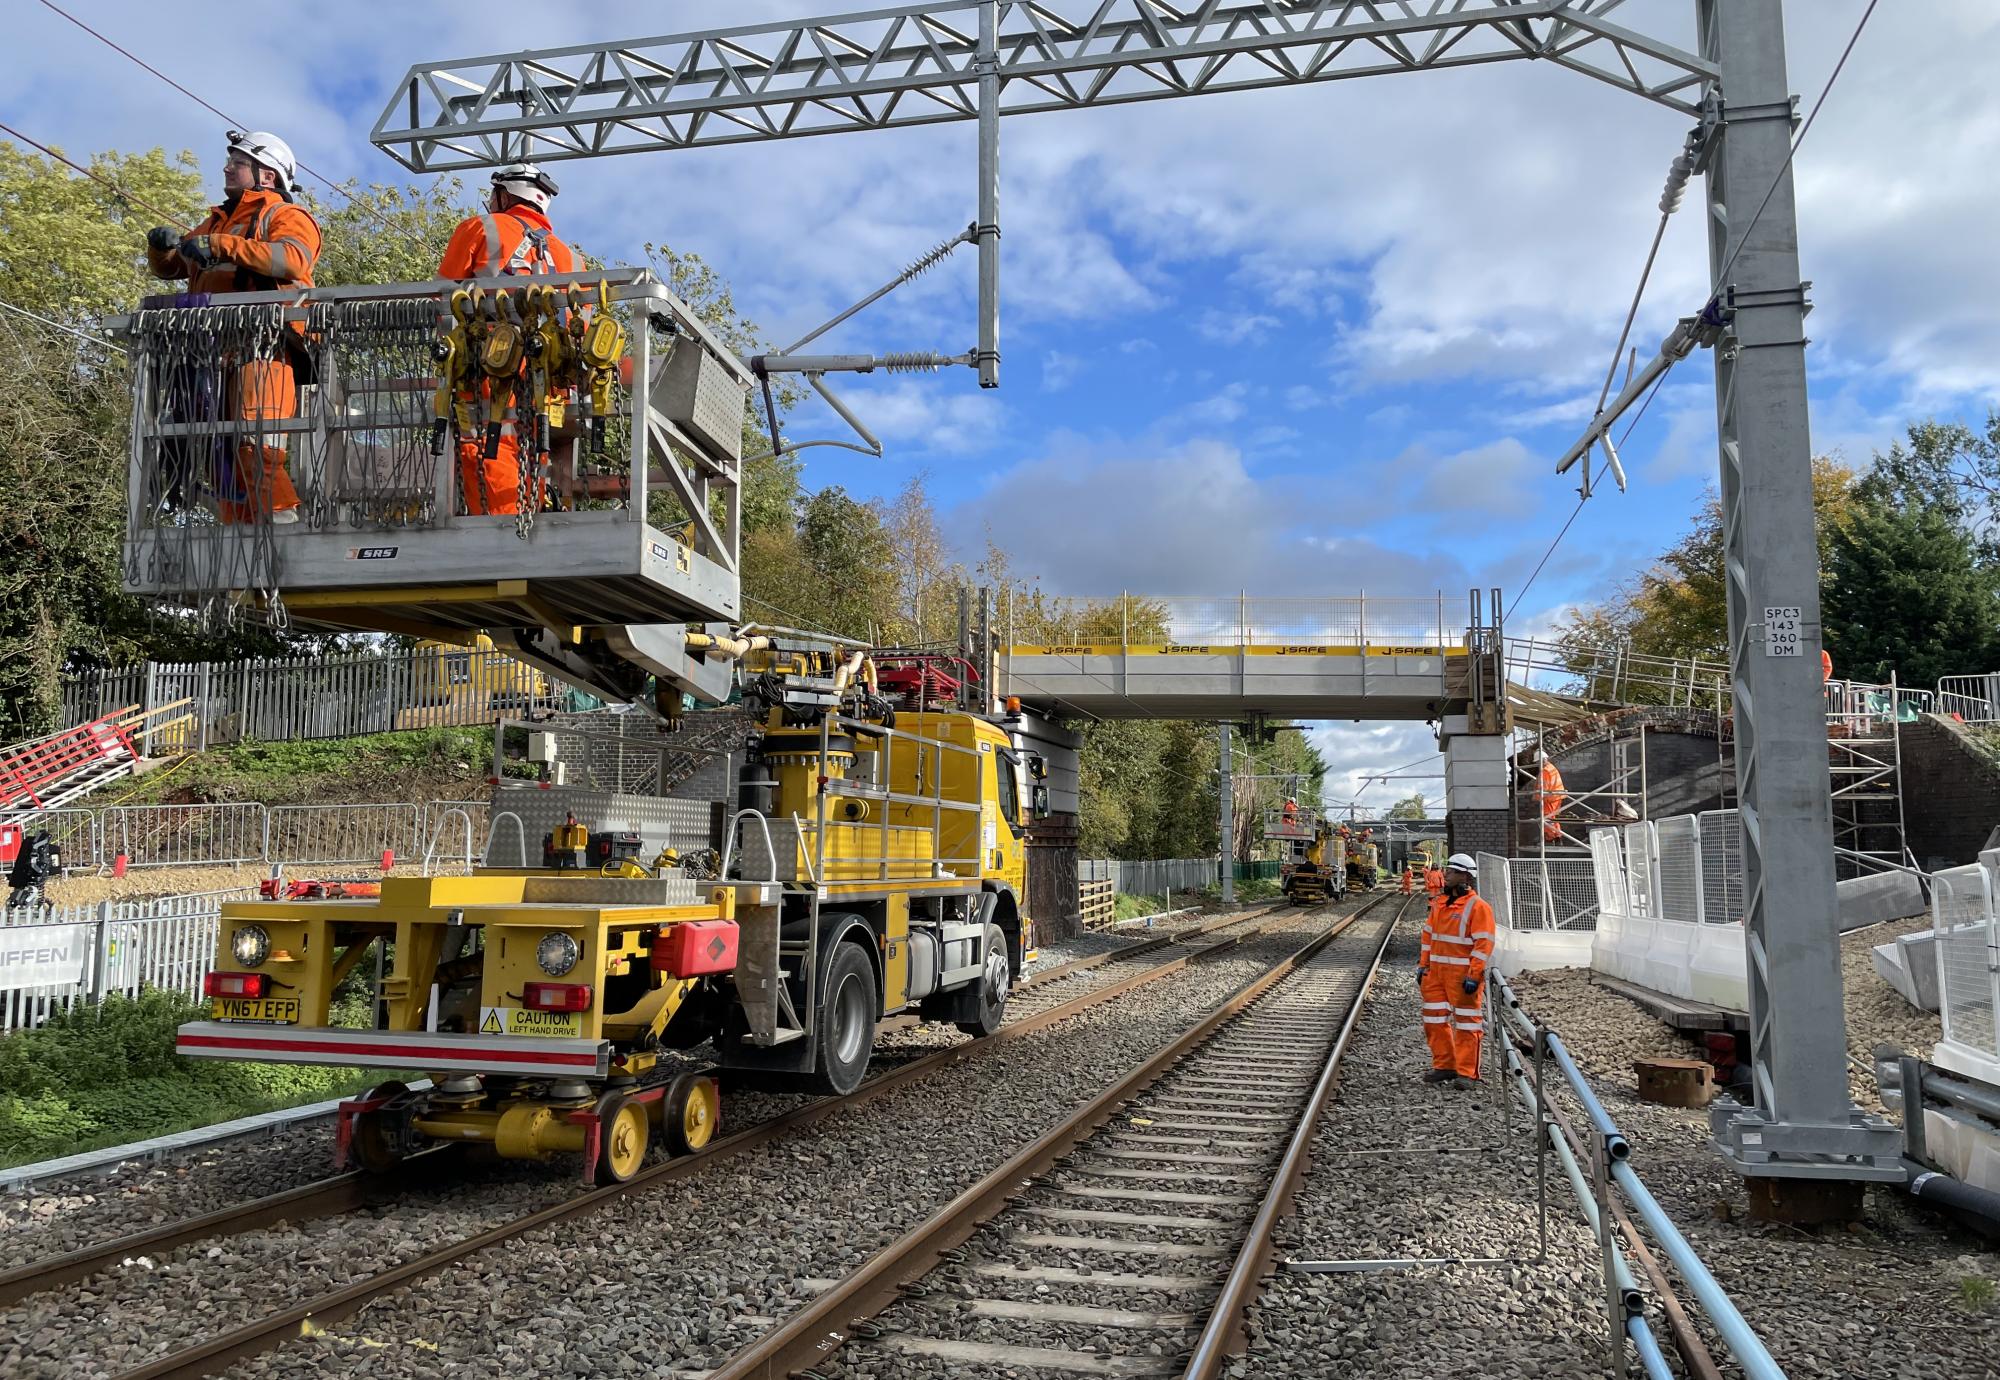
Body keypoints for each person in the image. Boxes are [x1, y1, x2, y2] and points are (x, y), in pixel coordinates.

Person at [146, 130, 321, 524]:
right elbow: (173, 268)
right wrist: (162, 249)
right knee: (218, 452)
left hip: (265, 347)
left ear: (267, 175)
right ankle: (238, 542)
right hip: (213, 352)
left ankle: (283, 527)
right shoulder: (218, 220)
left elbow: (292, 260)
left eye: (238, 163)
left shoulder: (286, 216)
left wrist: (221, 245)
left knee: (256, 445)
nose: (227, 168)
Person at [437, 162, 576, 515]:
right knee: (535, 442)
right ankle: (529, 513)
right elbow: (581, 327)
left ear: (503, 194)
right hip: (548, 375)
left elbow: (440, 298)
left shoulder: (481, 228)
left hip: (490, 361)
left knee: (485, 439)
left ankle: (502, 528)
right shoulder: (571, 257)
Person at [1416, 853, 1496, 1089]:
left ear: (1465, 877)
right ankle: (1445, 1066)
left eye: (1451, 871)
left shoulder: (1478, 907)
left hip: (1462, 977)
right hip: (1436, 975)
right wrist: (1423, 965)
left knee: (1467, 1024)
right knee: (1434, 1020)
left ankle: (1467, 1073)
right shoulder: (1440, 904)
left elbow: (1483, 945)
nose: (1446, 874)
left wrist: (1474, 974)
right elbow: (1428, 936)